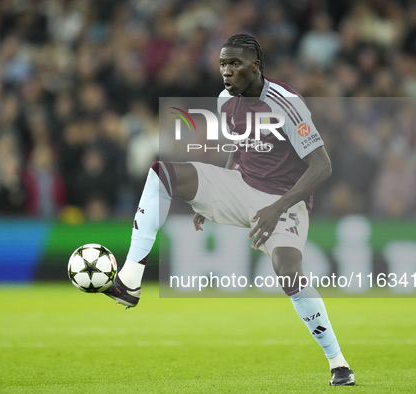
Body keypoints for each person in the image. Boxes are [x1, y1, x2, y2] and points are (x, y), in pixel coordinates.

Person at [104, 33, 355, 387]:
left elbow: (321, 166)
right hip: (240, 185)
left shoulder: (287, 103)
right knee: (162, 174)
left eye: (234, 64)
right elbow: (239, 148)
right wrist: (210, 197)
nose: (226, 71)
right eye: (222, 64)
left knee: (289, 274)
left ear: (255, 66)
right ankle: (131, 276)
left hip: (285, 199)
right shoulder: (225, 101)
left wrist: (276, 207)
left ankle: (338, 362)